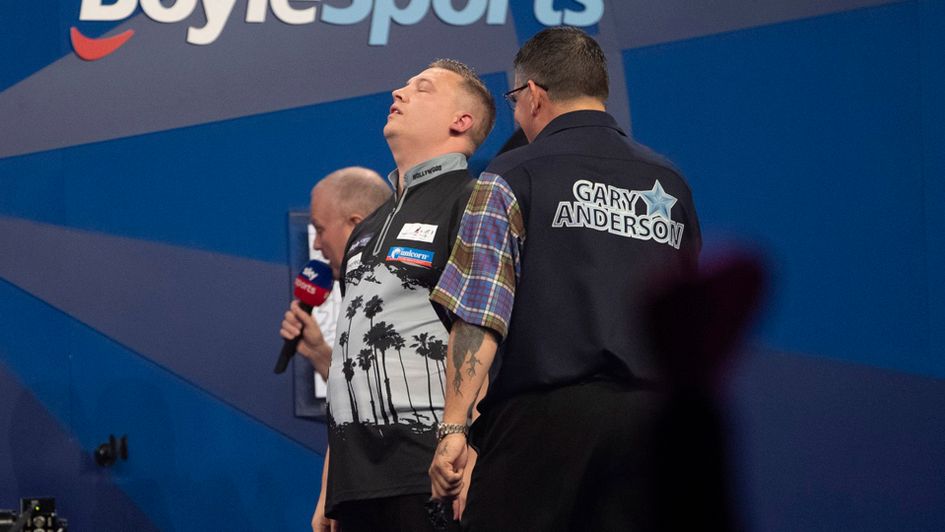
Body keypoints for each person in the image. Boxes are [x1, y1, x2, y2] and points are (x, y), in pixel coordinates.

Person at [428, 27, 702, 531]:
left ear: (533, 94)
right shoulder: (673, 184)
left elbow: (480, 315)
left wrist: (454, 426)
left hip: (543, 428)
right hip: (655, 431)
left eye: (513, 100)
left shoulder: (508, 176)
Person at [315, 59, 496, 532]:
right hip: (355, 485)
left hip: (432, 470)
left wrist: (476, 444)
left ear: (462, 122)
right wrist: (329, 487)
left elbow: (486, 330)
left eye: (423, 88)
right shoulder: (368, 225)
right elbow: (349, 357)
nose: (399, 91)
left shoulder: (476, 199)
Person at [280, 167, 391, 380]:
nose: (317, 244)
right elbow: (366, 393)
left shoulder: (411, 295)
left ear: (356, 226)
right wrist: (318, 352)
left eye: (320, 230)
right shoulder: (364, 295)